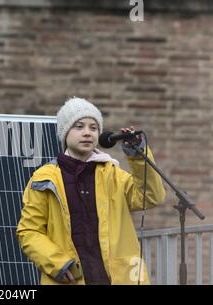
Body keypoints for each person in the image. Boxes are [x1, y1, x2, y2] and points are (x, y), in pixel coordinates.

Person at [16, 97, 166, 285]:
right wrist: (58, 264)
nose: (87, 133)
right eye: (79, 127)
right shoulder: (44, 179)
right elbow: (29, 231)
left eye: (93, 128)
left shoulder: (113, 174)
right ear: (65, 133)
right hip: (70, 278)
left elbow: (151, 197)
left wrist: (138, 156)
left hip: (118, 279)